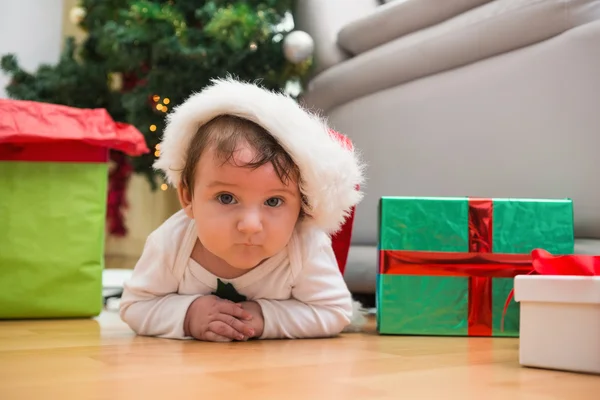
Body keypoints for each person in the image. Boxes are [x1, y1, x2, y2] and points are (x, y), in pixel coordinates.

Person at [119, 78, 365, 342]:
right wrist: (188, 315)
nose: (250, 224)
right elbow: (135, 306)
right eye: (226, 198)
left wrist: (263, 318)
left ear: (301, 205)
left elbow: (336, 311)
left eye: (273, 201)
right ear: (188, 197)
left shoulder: (305, 246)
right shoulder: (171, 243)